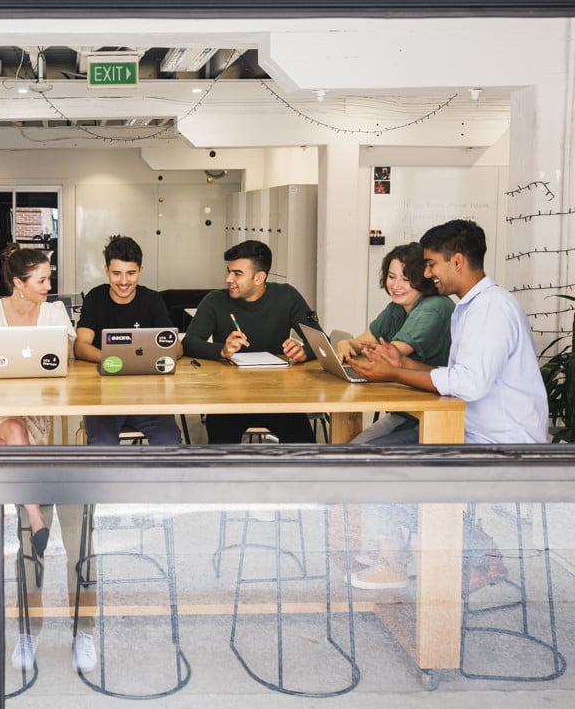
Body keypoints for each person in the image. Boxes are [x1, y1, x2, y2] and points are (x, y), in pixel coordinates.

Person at [349, 220, 549, 589]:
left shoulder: (491, 308)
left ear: (456, 261)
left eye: (430, 265)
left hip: (498, 443)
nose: (427, 274)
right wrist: (401, 362)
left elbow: (468, 384)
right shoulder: (470, 307)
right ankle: (468, 550)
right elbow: (455, 373)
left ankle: (456, 554)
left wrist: (394, 375)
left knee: (374, 463)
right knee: (369, 454)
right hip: (469, 430)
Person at [0, 243, 96, 674]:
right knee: (13, 430)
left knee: (22, 430)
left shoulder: (55, 312)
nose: (49, 285)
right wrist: (6, 362)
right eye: (41, 280)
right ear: (19, 284)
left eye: (49, 278)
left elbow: (66, 359)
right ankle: (36, 516)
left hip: (36, 404)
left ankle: (30, 513)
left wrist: (10, 363)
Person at [336, 242, 454, 590]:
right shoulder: (395, 308)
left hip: (438, 416)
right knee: (350, 453)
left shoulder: (433, 308)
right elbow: (357, 343)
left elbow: (390, 360)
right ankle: (380, 545)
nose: (397, 285)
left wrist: (366, 353)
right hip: (409, 410)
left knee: (368, 461)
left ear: (425, 279)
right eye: (391, 276)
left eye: (407, 278)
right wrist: (345, 346)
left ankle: (394, 562)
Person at [182, 239, 322, 443]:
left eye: (237, 274)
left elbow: (320, 338)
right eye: (229, 271)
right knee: (221, 450)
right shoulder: (214, 300)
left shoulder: (289, 296)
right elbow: (189, 342)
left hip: (279, 398)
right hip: (229, 400)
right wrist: (222, 350)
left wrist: (304, 351)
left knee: (305, 444)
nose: (228, 278)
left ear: (259, 277)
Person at [74, 234, 182, 445]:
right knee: (103, 444)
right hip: (102, 398)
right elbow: (81, 346)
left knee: (169, 440)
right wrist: (117, 361)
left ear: (141, 270)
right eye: (116, 273)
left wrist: (155, 360)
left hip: (148, 398)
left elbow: (176, 346)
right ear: (106, 270)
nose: (123, 281)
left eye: (131, 273)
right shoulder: (96, 298)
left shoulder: (152, 300)